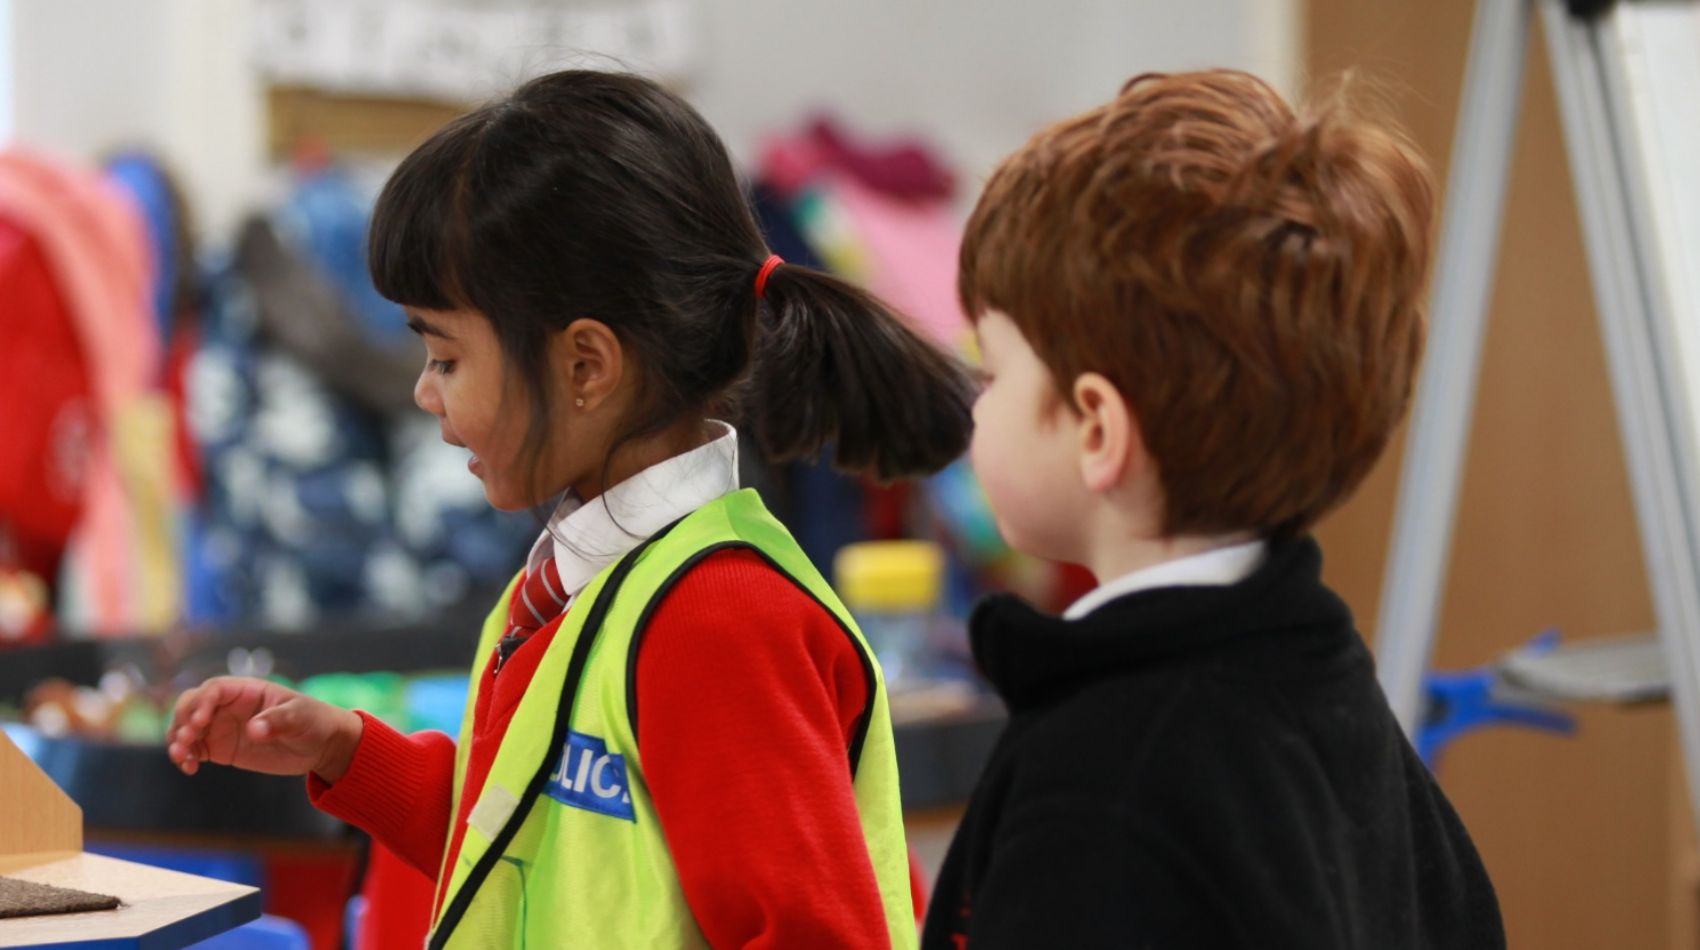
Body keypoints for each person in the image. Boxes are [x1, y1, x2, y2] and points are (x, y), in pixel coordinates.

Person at [167, 69, 975, 949]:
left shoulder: (718, 622)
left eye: (446, 359)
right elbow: (532, 856)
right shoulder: (573, 585)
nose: (425, 394)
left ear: (585, 366)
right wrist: (348, 753)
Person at [922, 69, 1505, 949]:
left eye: (992, 371)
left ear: (1096, 428)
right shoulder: (1327, 684)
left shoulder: (1100, 784)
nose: (977, 404)